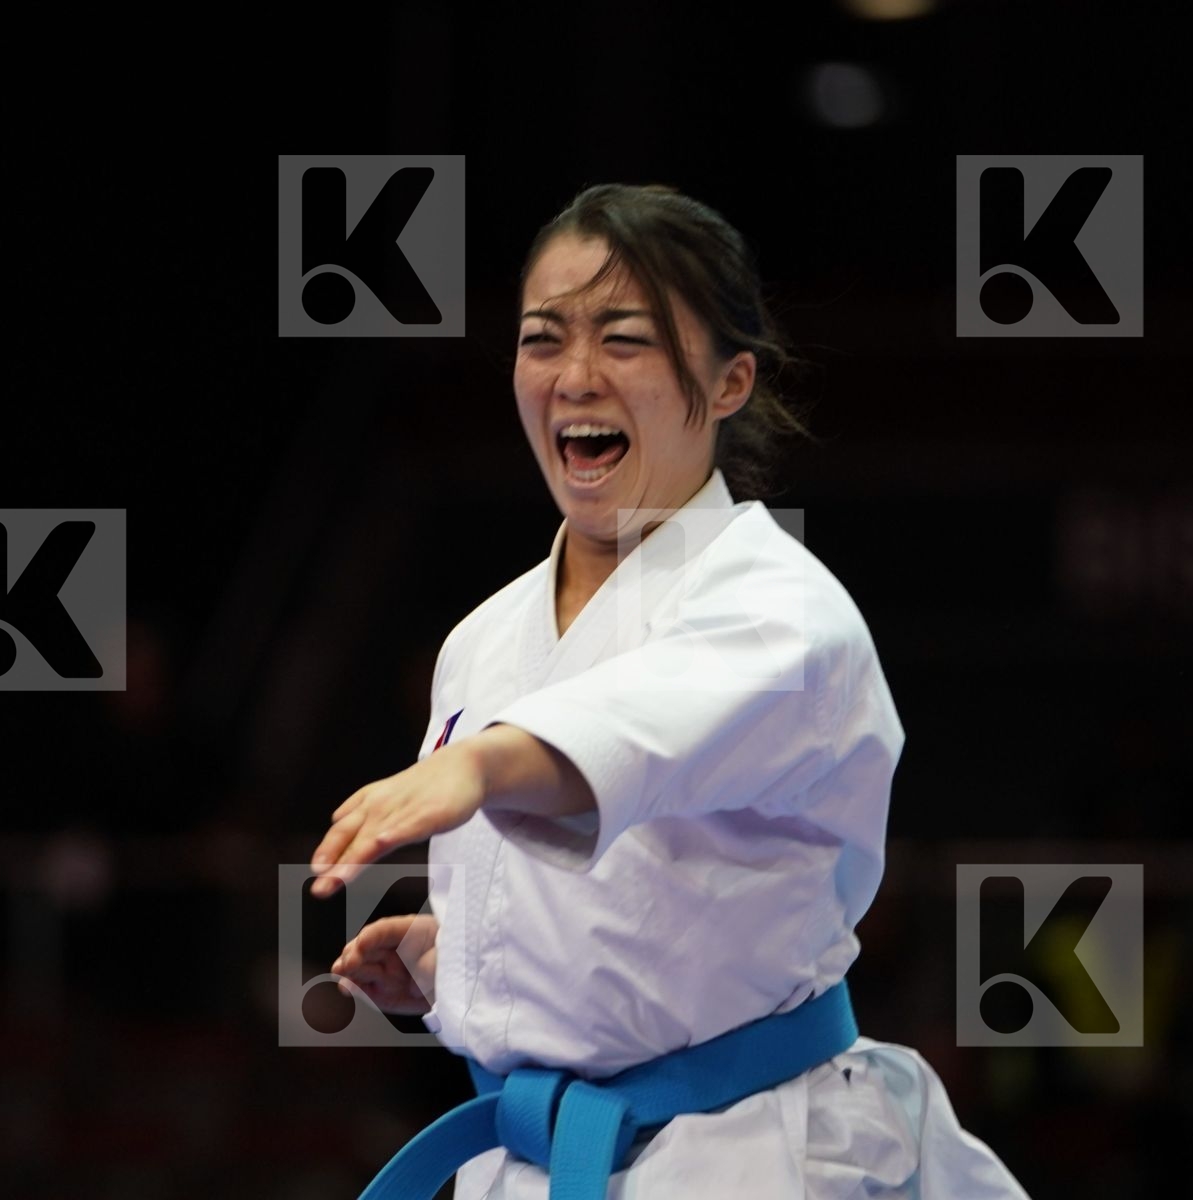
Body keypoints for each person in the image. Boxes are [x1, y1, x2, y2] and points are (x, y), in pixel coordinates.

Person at [309, 183, 1031, 1198]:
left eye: (626, 340)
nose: (576, 376)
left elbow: (640, 730)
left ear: (730, 380)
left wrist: (479, 765)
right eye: (543, 339)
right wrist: (459, 958)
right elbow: (648, 912)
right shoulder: (481, 641)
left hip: (747, 1154)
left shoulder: (783, 607)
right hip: (531, 1159)